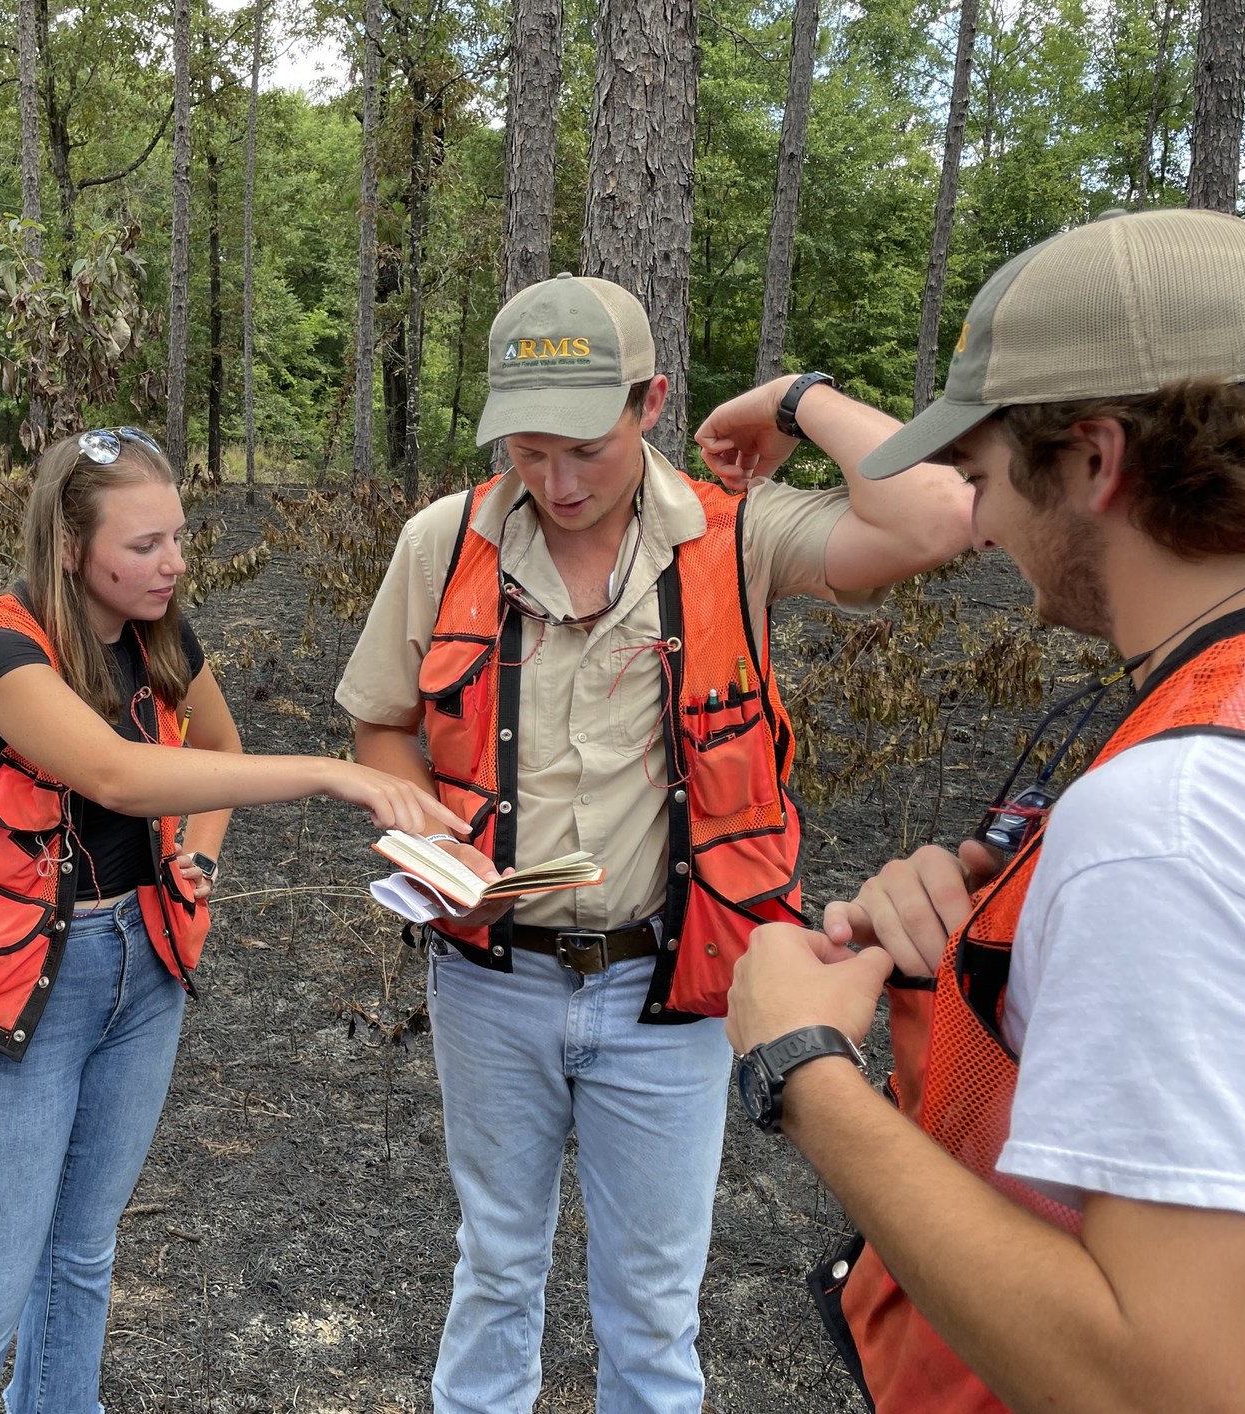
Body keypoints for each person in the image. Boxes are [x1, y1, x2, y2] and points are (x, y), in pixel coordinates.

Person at [333, 273, 974, 1414]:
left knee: (651, 1302)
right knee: (493, 1269)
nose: (557, 482)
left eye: (584, 445)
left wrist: (792, 398)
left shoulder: (735, 541)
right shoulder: (446, 541)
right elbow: (380, 723)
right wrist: (430, 852)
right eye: (527, 450)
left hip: (670, 990)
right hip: (491, 983)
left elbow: (934, 515)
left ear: (648, 403)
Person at [722, 207, 1245, 1414]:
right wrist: (1017, 947)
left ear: (1091, 459)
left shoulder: (1172, 810)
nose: (982, 525)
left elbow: (1164, 1384)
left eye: (982, 476)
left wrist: (799, 1064)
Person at [0, 425, 470, 1414]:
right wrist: (330, 773)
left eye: (178, 537)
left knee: (79, 1253)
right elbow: (113, 772)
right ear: (70, 548)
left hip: (140, 970)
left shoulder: (159, 637)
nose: (174, 563)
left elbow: (217, 745)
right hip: (15, 981)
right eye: (143, 544)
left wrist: (201, 852)